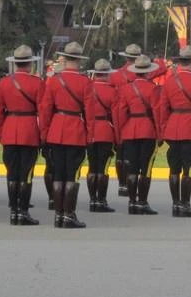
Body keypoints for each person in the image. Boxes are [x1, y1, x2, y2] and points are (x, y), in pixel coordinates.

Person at [39, 42, 90, 229]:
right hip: (75, 130)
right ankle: (69, 214)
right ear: (79, 61)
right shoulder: (85, 82)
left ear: (65, 59)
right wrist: (90, 135)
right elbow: (90, 112)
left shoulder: (54, 80)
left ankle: (58, 215)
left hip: (56, 129)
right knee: (71, 175)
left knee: (58, 174)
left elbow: (45, 109)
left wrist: (44, 134)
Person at [0, 45, 44, 226]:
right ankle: (22, 212)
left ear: (15, 63)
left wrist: (0, 132)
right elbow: (43, 112)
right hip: (29, 130)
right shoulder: (37, 83)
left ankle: (14, 211)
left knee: (12, 173)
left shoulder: (4, 83)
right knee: (26, 174)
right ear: (30, 64)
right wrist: (43, 134)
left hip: (9, 129)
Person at [160, 46, 191, 217]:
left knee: (174, 168)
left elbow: (163, 109)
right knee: (188, 169)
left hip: (173, 128)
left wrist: (164, 130)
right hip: (189, 128)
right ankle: (185, 205)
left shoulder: (169, 81)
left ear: (180, 62)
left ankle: (175, 204)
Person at [116, 54, 162, 215]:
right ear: (148, 71)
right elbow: (157, 112)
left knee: (132, 168)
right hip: (147, 129)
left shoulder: (126, 88)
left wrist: (121, 132)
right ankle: (142, 202)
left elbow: (121, 113)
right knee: (146, 169)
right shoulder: (153, 88)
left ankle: (131, 202)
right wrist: (160, 133)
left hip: (130, 129)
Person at [109, 42, 143, 197]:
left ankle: (122, 184)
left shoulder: (115, 75)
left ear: (126, 57)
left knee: (120, 152)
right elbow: (162, 67)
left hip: (116, 115)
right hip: (137, 117)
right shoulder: (142, 74)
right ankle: (132, 185)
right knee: (134, 154)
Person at [84, 58, 118, 213]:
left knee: (92, 166)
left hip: (89, 130)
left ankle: (92, 200)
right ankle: (101, 200)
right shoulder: (112, 91)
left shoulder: (88, 88)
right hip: (105, 130)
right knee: (103, 168)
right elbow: (116, 116)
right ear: (107, 74)